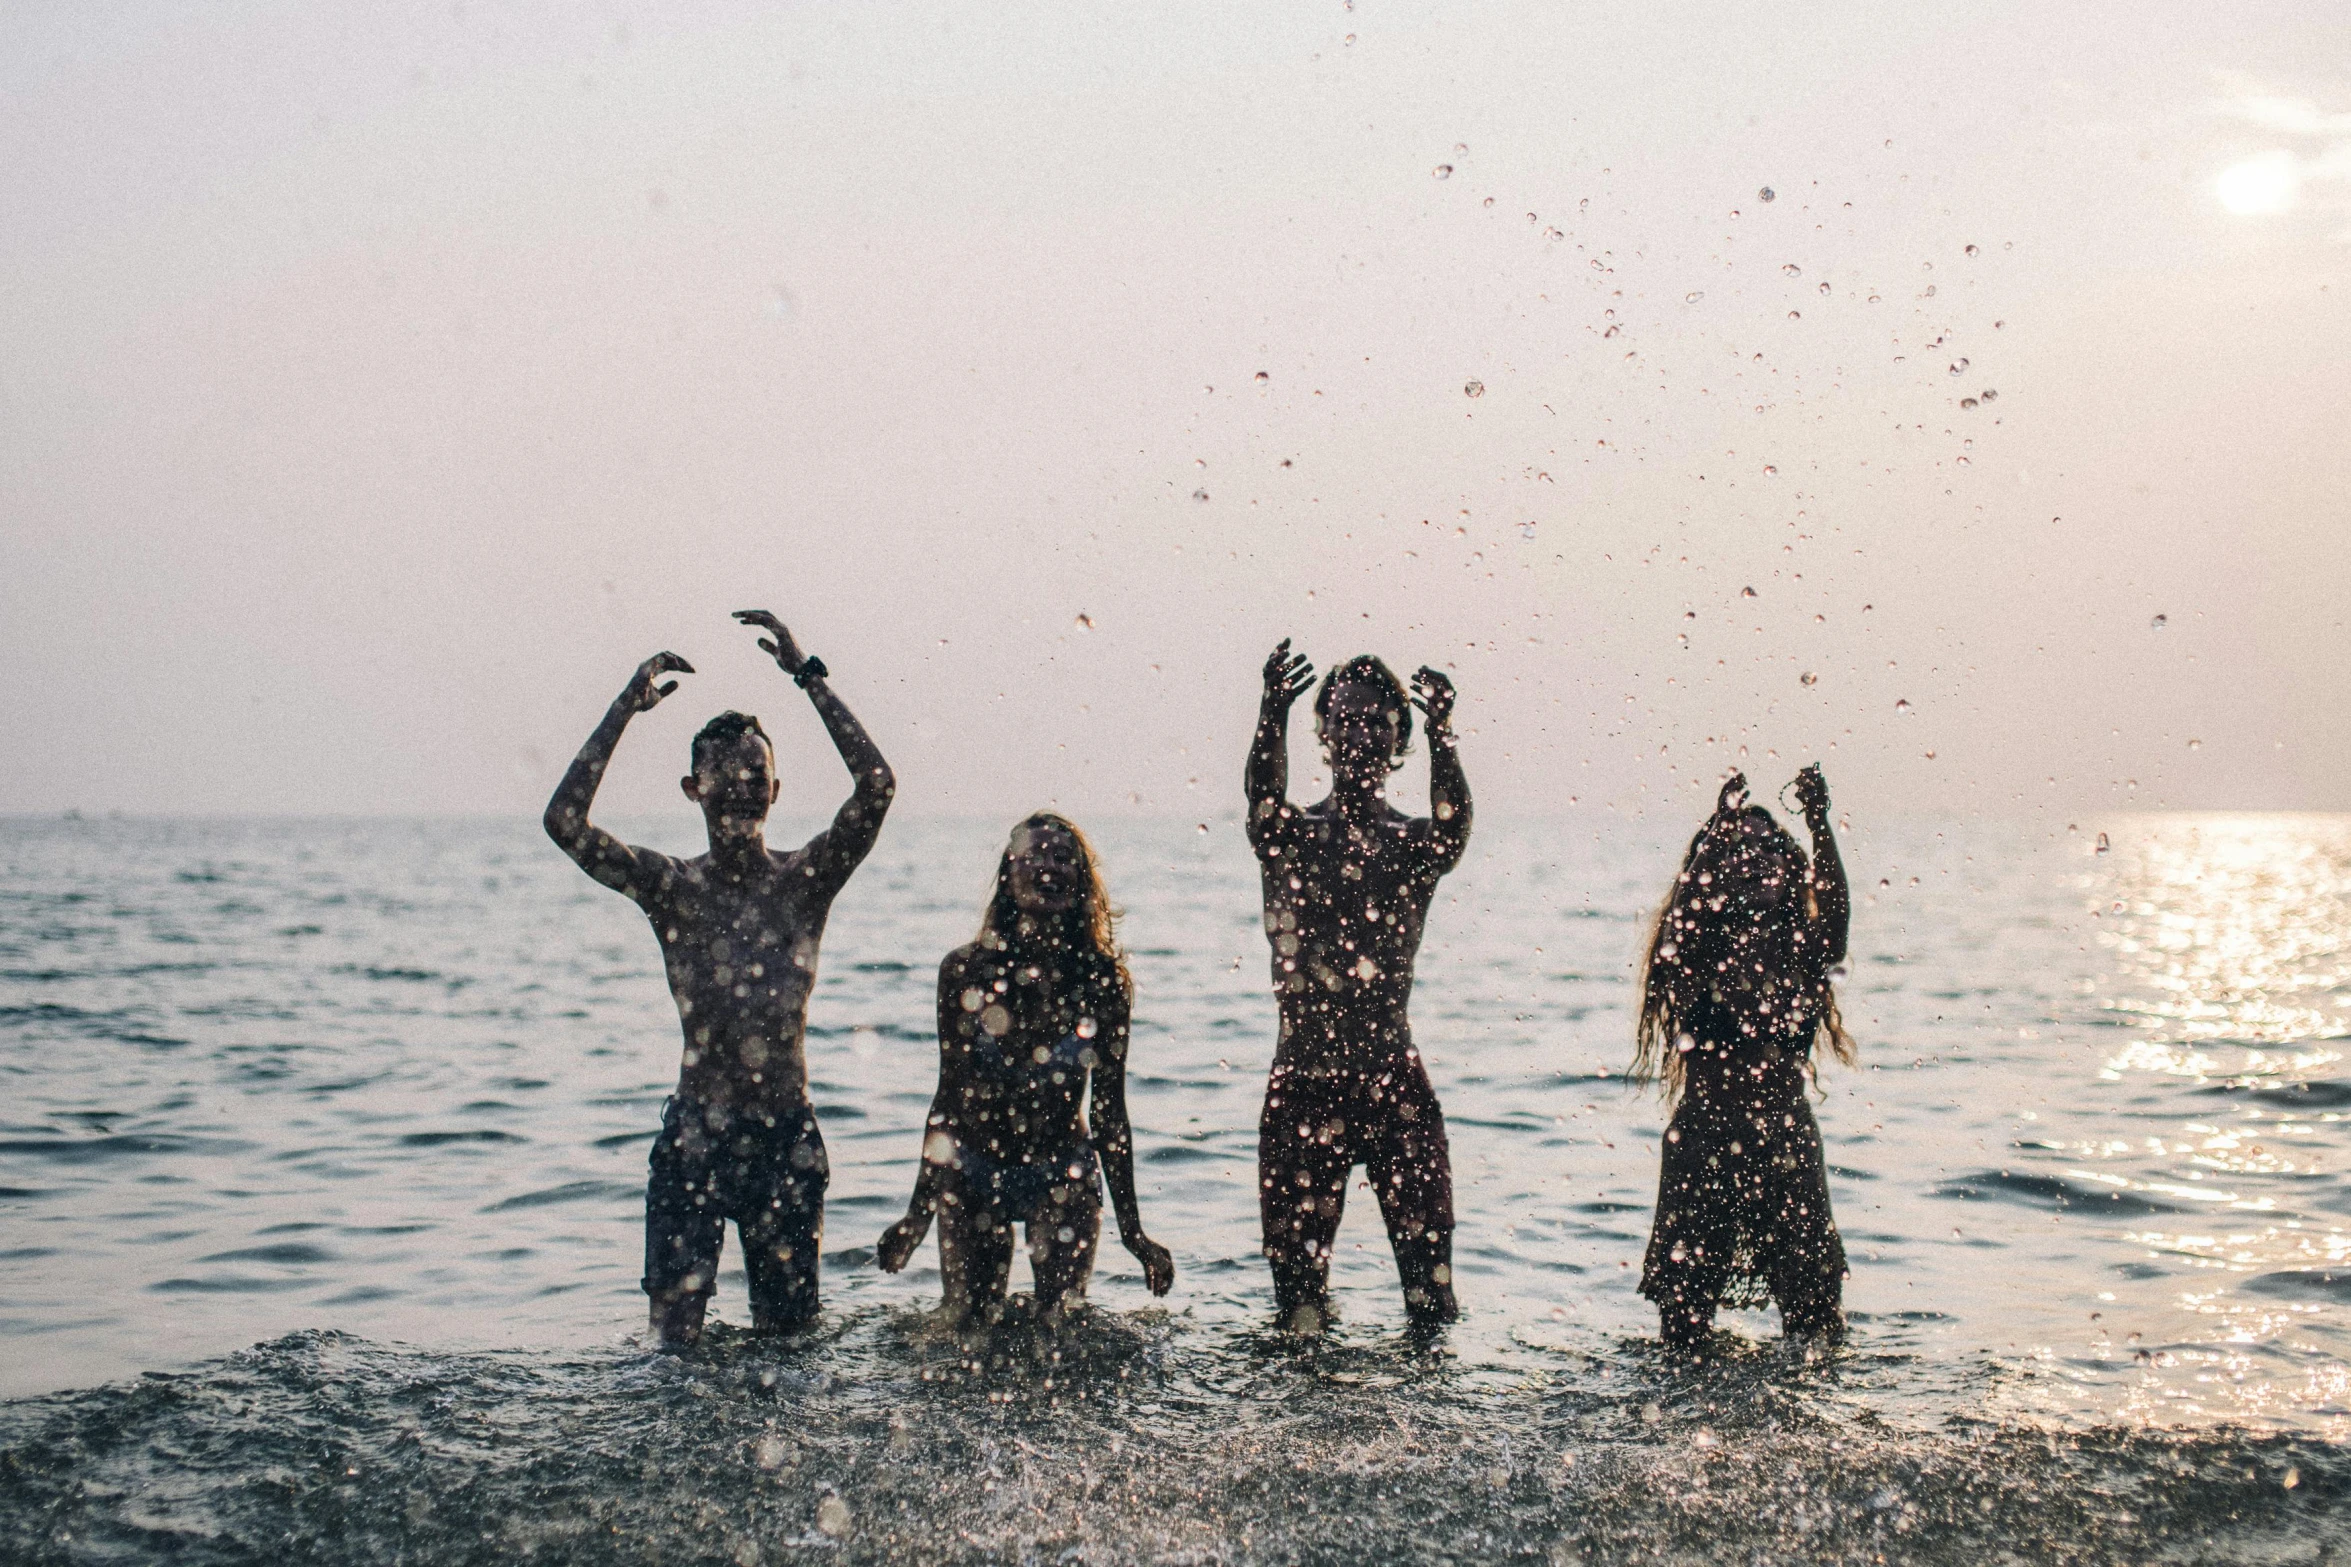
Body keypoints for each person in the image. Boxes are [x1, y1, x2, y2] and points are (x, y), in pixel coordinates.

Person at [543, 610, 895, 1345]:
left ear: (774, 790)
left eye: (755, 778)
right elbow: (565, 822)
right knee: (673, 1350)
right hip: (695, 1139)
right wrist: (622, 710)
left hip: (783, 1140)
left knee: (791, 1345)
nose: (740, 789)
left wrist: (808, 678)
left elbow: (876, 786)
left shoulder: (805, 881)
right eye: (724, 778)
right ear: (692, 788)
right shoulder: (672, 887)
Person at [1244, 640, 1470, 1332]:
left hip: (1391, 1079)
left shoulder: (1408, 844)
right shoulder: (1292, 836)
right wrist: (1269, 710)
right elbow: (1261, 799)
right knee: (1297, 1304)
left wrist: (1443, 736)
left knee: (1430, 1300)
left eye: (1376, 721)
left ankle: (1431, 1430)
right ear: (1323, 731)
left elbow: (1454, 828)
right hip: (1304, 1079)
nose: (1360, 733)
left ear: (1397, 736)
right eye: (1345, 719)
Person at [876, 814, 1174, 1326]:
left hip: (1061, 1170)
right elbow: (948, 1100)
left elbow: (1109, 1114)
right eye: (1034, 855)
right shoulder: (964, 971)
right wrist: (916, 1216)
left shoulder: (1103, 983)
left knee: (1062, 1327)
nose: (1049, 868)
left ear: (1082, 882)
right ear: (1007, 876)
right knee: (965, 1323)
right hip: (973, 1168)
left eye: (1064, 859)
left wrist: (1134, 1233)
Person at [1631, 765, 1854, 1351]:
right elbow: (1678, 926)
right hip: (1703, 1136)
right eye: (1737, 853)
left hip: (1785, 1137)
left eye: (1766, 851)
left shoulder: (1804, 954)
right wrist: (1714, 836)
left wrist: (1818, 824)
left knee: (1816, 1320)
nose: (1750, 860)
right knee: (1683, 1325)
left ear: (1791, 868)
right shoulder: (1696, 954)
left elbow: (1835, 918)